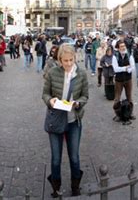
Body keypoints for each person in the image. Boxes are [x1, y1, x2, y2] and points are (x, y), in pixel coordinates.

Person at [42, 44, 89, 197]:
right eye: (65, 61)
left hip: (73, 120)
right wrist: (51, 101)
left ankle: (75, 186)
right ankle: (56, 187)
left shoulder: (81, 74)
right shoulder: (52, 72)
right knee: (56, 158)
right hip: (56, 119)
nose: (68, 64)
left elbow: (85, 96)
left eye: (71, 60)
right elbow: (45, 94)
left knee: (74, 157)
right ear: (59, 60)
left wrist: (78, 103)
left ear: (75, 58)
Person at [112, 41, 136, 124]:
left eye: (124, 46)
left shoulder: (129, 55)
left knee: (130, 97)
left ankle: (130, 113)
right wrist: (125, 68)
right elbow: (115, 69)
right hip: (119, 80)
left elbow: (132, 67)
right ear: (118, 48)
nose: (123, 47)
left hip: (128, 79)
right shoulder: (115, 56)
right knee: (117, 98)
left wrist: (128, 69)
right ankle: (118, 114)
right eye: (121, 46)